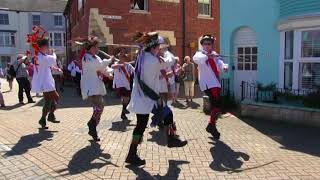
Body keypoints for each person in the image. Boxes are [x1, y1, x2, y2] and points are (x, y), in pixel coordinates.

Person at [125, 32, 187, 166]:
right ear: (153, 47)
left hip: (146, 97)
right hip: (146, 98)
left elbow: (160, 68)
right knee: (143, 125)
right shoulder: (151, 61)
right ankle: (133, 153)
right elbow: (168, 62)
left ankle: (170, 139)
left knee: (151, 121)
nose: (160, 49)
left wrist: (161, 55)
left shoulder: (144, 56)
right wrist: (173, 57)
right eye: (158, 47)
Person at [193, 34, 228, 140]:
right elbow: (196, 59)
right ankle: (211, 125)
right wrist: (207, 56)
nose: (207, 46)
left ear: (212, 45)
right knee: (216, 103)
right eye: (205, 44)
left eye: (209, 44)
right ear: (202, 45)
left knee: (217, 105)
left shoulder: (214, 54)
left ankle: (211, 125)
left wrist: (224, 67)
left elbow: (220, 62)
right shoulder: (199, 54)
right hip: (208, 83)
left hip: (215, 82)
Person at [80, 36, 115, 141]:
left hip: (96, 85)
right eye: (96, 47)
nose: (97, 49)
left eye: (97, 47)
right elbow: (99, 65)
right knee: (99, 107)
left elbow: (103, 68)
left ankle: (92, 127)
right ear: (90, 48)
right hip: (91, 86)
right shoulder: (87, 58)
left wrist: (110, 72)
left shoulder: (96, 57)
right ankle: (92, 125)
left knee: (99, 108)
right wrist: (110, 60)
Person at [31, 38, 61, 129]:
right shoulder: (41, 56)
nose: (48, 48)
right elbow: (52, 59)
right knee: (56, 97)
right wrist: (53, 53)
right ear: (42, 47)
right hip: (45, 82)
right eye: (47, 46)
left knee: (48, 101)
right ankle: (50, 115)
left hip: (46, 81)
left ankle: (43, 120)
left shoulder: (42, 56)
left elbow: (47, 64)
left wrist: (55, 68)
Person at [111, 48, 135, 120]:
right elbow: (113, 67)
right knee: (125, 98)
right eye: (121, 57)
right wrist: (120, 65)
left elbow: (135, 71)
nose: (123, 58)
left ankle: (123, 113)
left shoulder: (128, 66)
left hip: (126, 85)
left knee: (127, 99)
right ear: (119, 57)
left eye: (124, 57)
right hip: (119, 85)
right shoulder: (116, 64)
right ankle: (124, 110)